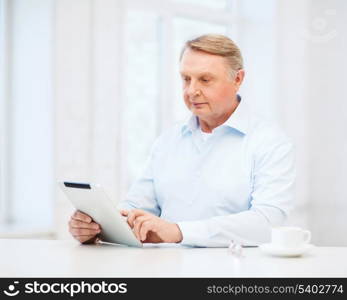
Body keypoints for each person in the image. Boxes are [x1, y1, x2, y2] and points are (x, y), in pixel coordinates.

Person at [68, 34, 295, 247]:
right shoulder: (168, 140)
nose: (191, 91)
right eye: (186, 79)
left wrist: (179, 231)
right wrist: (99, 227)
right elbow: (137, 206)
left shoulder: (270, 143)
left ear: (238, 79)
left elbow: (268, 223)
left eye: (205, 80)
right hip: (166, 272)